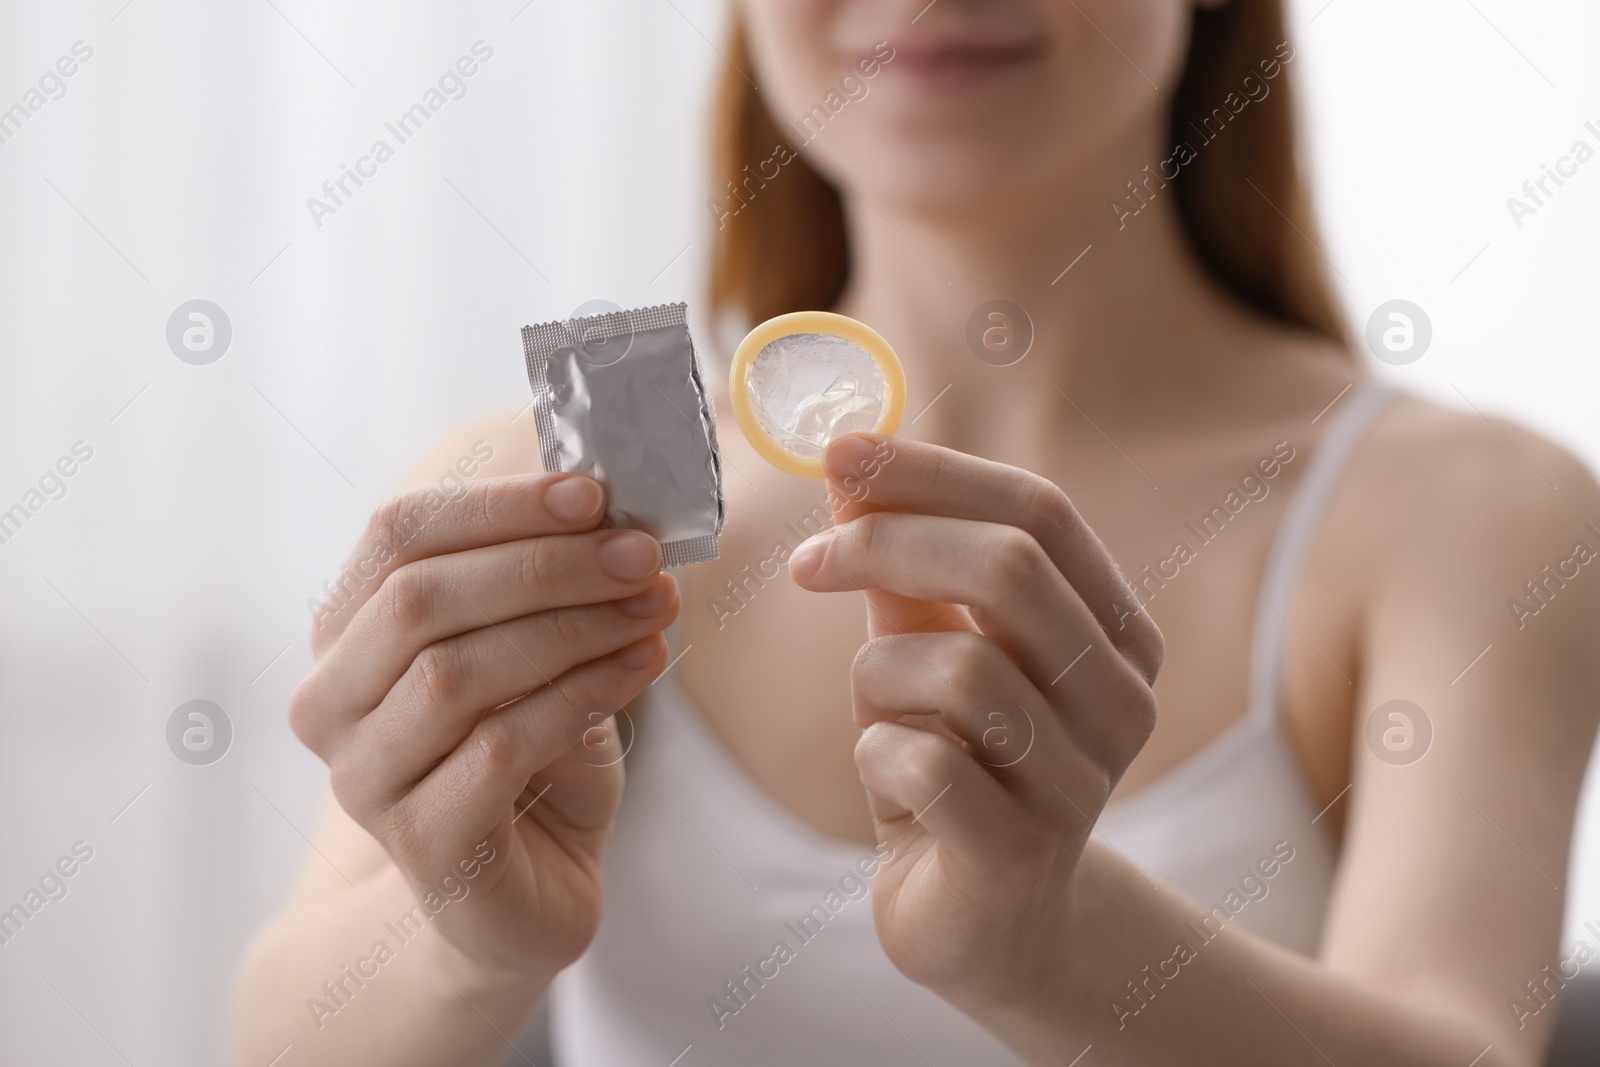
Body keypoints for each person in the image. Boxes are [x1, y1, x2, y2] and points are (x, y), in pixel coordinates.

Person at [236, 1, 1600, 1064]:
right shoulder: (564, 486)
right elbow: (274, 1047)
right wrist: (461, 941)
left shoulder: (1468, 505)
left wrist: (1049, 945)